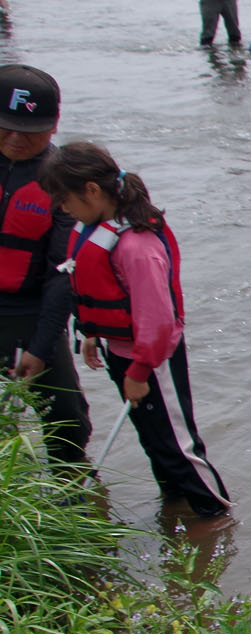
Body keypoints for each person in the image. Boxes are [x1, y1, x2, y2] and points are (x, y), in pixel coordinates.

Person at [43, 141, 230, 519]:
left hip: (152, 361)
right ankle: (175, 507)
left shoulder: (136, 246)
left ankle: (216, 517)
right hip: (122, 352)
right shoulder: (94, 227)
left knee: (178, 447)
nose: (62, 209)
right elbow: (95, 286)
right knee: (154, 442)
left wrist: (141, 371)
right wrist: (92, 333)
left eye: (65, 199)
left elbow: (158, 319)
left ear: (92, 191)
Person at [0, 65, 89, 465]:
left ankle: (74, 502)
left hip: (33, 314)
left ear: (53, 125)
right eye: (6, 126)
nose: (16, 138)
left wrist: (38, 347)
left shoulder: (64, 183)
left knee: (67, 423)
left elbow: (63, 273)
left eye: (29, 128)